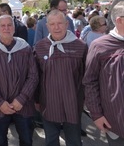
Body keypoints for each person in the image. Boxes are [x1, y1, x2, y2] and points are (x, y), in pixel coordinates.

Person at [0, 14, 38, 146]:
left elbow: (33, 76)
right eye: (3, 25)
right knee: (0, 140)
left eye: (9, 25)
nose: (6, 28)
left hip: (23, 105)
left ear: (14, 28)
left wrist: (21, 99)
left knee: (26, 139)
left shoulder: (25, 49)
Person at [34, 10, 87, 146]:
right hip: (49, 104)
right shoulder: (40, 47)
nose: (56, 27)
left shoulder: (80, 46)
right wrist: (36, 99)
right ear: (47, 27)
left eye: (60, 23)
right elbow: (36, 77)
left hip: (73, 104)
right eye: (52, 24)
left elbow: (87, 77)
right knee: (51, 140)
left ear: (66, 24)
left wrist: (86, 100)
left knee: (74, 141)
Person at [83, 1, 124, 145]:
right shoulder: (100, 46)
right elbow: (90, 82)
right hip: (115, 124)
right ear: (120, 20)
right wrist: (96, 115)